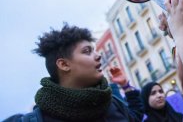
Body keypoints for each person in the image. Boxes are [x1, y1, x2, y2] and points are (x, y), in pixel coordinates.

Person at [12, 24, 144, 121]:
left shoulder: (112, 103)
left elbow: (136, 118)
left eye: (94, 50)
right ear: (64, 64)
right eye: (87, 51)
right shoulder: (38, 119)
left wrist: (126, 86)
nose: (98, 56)